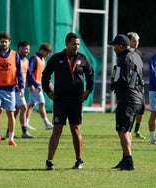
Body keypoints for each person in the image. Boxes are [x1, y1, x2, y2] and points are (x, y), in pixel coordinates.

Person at [42, 32, 94, 170]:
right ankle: (49, 161)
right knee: (57, 129)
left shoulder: (83, 59)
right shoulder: (56, 58)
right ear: (66, 43)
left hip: (76, 100)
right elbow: (45, 75)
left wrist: (88, 91)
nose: (76, 46)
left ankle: (79, 160)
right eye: (73, 44)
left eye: (78, 44)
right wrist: (48, 92)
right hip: (60, 100)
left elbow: (90, 75)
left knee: (75, 129)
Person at [109, 34, 144, 171]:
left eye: (115, 45)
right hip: (137, 98)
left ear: (121, 46)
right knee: (127, 130)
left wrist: (114, 85)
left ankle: (129, 161)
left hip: (128, 98)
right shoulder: (136, 56)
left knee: (122, 130)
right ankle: (124, 159)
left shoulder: (125, 58)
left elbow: (124, 80)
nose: (113, 48)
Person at [0, 32, 24, 146]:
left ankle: (11, 139)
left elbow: (19, 72)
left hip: (10, 88)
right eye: (2, 41)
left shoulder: (15, 55)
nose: (4, 43)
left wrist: (21, 87)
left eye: (6, 41)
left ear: (9, 42)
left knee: (11, 114)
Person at [4, 41, 35, 139]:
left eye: (28, 49)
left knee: (16, 111)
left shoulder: (26, 61)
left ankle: (8, 133)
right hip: (15, 88)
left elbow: (29, 74)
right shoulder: (14, 59)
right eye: (26, 49)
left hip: (21, 88)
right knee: (24, 107)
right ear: (20, 48)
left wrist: (32, 84)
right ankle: (24, 132)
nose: (28, 51)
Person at [26, 43, 54, 130]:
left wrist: (47, 83)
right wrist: (31, 84)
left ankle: (26, 123)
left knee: (31, 105)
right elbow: (29, 72)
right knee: (42, 103)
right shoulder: (34, 58)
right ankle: (47, 124)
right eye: (47, 52)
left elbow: (41, 75)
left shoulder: (42, 60)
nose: (47, 55)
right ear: (42, 50)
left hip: (38, 85)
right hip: (36, 86)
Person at [127, 32, 146, 139]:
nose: (136, 43)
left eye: (137, 41)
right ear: (129, 41)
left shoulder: (138, 53)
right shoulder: (125, 53)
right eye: (134, 40)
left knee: (141, 108)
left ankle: (136, 130)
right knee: (131, 108)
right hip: (130, 86)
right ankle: (128, 129)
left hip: (139, 85)